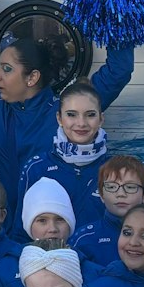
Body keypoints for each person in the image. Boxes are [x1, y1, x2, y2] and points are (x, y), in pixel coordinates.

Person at [0, 36, 133, 218]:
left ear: (32, 78)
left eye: (6, 69)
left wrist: (116, 12)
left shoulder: (65, 112)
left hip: (49, 231)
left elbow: (119, 70)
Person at [0, 179, 91, 287]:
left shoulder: (89, 269)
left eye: (60, 219)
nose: (52, 228)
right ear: (29, 224)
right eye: (42, 220)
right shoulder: (5, 270)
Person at [18, 82, 112, 227]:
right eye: (71, 115)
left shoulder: (116, 169)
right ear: (59, 118)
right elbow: (20, 231)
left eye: (90, 115)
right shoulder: (37, 168)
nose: (81, 123)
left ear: (101, 119)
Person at [69, 156, 144, 267]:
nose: (121, 194)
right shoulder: (84, 239)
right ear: (101, 196)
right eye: (111, 187)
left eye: (130, 187)